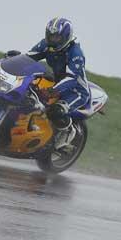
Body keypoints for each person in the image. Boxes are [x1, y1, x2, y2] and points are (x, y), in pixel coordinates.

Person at [27, 17, 90, 149]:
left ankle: (68, 130)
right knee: (29, 96)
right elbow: (29, 57)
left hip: (76, 91)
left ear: (66, 37)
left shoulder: (75, 53)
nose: (52, 40)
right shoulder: (46, 44)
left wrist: (52, 90)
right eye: (50, 36)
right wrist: (13, 59)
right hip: (57, 84)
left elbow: (72, 77)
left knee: (56, 111)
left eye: (56, 38)